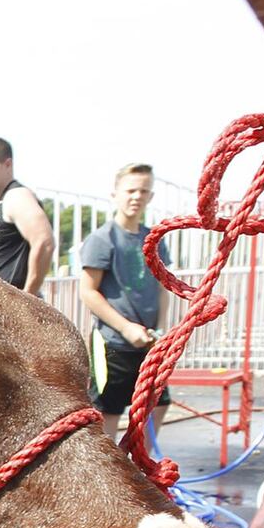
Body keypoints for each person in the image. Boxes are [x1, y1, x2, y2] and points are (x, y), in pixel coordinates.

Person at [78, 163, 171, 439]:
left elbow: (163, 286)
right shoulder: (102, 239)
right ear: (115, 194)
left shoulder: (154, 238)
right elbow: (88, 291)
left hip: (150, 341)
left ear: (150, 196)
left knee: (158, 404)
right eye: (130, 190)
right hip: (114, 342)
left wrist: (163, 331)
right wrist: (126, 327)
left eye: (143, 191)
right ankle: (112, 472)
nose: (136, 196)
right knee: (109, 409)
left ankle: (140, 466)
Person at [0, 137, 55, 293]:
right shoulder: (3, 202)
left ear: (7, 164)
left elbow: (44, 242)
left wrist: (28, 297)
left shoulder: (17, 196)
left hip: (16, 308)